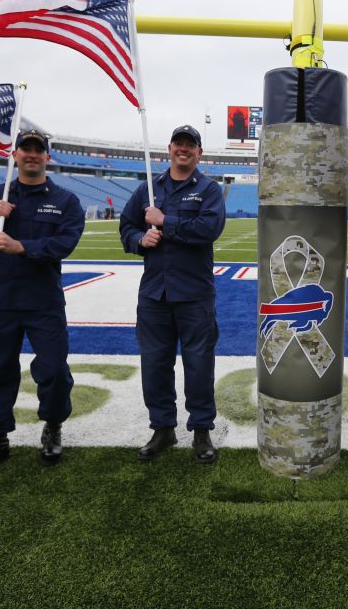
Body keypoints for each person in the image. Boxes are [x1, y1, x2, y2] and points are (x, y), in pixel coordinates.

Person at [0, 128, 86, 481]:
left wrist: (20, 246)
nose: (32, 155)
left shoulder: (66, 200)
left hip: (43, 301)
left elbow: (63, 245)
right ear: (15, 155)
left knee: (54, 370)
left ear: (47, 157)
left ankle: (52, 425)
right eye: (25, 149)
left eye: (38, 150)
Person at [120, 125, 227, 464]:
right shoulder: (148, 189)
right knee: (154, 364)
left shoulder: (208, 189)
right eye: (179, 144)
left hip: (194, 293)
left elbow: (209, 229)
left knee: (198, 364)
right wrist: (139, 239)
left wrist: (166, 221)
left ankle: (201, 430)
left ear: (199, 152)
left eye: (190, 145)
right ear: (169, 149)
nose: (184, 149)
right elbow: (126, 226)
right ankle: (163, 427)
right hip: (154, 294)